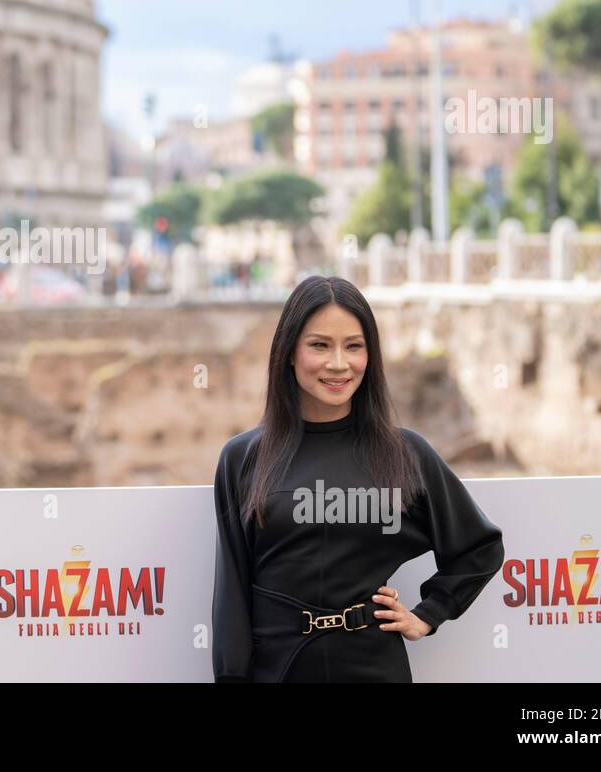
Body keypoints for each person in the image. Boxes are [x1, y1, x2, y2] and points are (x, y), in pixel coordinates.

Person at [211, 275, 504, 682]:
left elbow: (480, 548)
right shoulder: (243, 458)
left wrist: (427, 614)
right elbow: (232, 593)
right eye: (319, 345)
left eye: (354, 346)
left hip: (373, 667)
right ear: (289, 353)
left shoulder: (405, 453)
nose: (338, 363)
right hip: (278, 670)